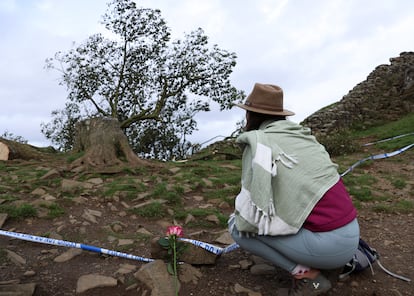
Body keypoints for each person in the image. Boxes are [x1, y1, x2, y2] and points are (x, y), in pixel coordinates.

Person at [228, 83, 360, 295]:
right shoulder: (301, 137)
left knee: (237, 227)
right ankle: (320, 261)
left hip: (330, 246)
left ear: (251, 115)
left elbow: (249, 215)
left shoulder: (261, 143)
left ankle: (310, 278)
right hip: (351, 234)